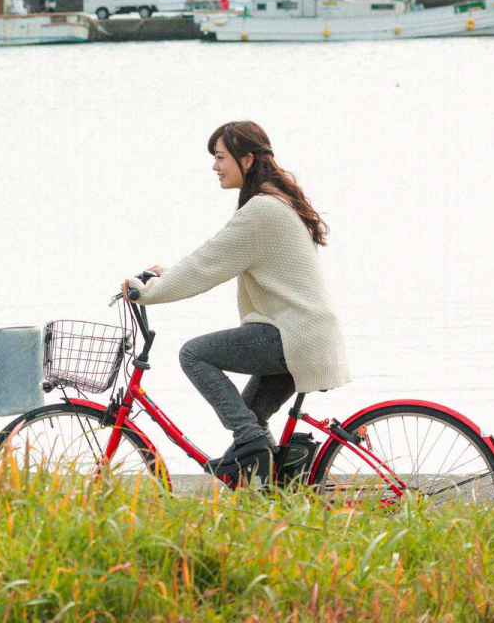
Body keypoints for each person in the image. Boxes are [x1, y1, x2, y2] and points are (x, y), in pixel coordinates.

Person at [123, 121, 351, 476]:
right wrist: (168, 276)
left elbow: (207, 264)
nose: (214, 167)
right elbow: (212, 259)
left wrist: (146, 293)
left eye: (220, 157)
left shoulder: (262, 211)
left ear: (246, 159)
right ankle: (273, 484)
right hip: (305, 336)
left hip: (291, 337)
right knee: (251, 417)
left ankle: (251, 444)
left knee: (194, 354)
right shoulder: (276, 202)